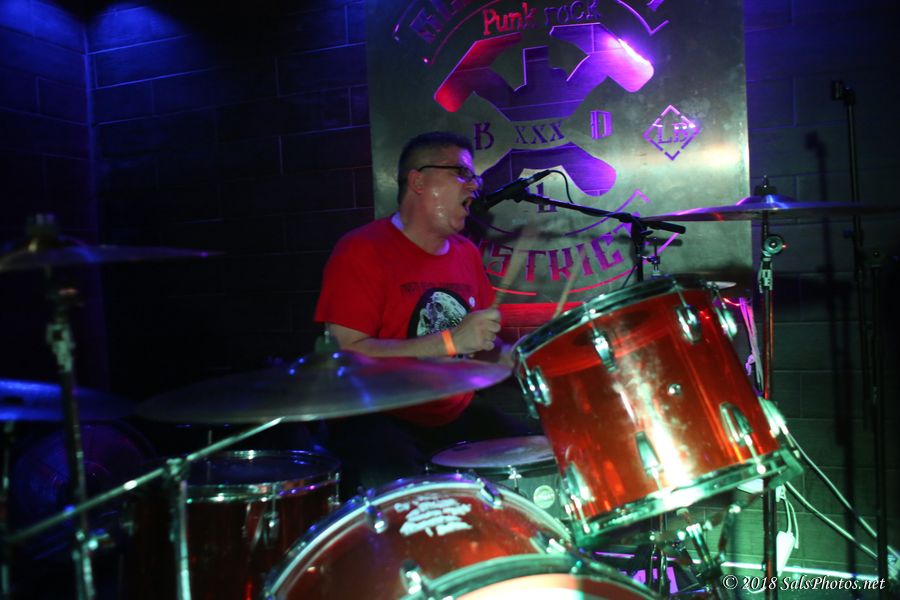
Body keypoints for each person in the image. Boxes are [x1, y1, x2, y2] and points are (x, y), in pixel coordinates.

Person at [313, 131, 535, 495]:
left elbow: (477, 346)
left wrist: (526, 358)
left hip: (452, 413)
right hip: (380, 415)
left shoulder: (466, 253)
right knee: (405, 495)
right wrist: (449, 341)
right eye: (462, 173)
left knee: (535, 460)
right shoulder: (362, 250)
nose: (474, 185)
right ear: (418, 181)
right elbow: (345, 352)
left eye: (474, 176)